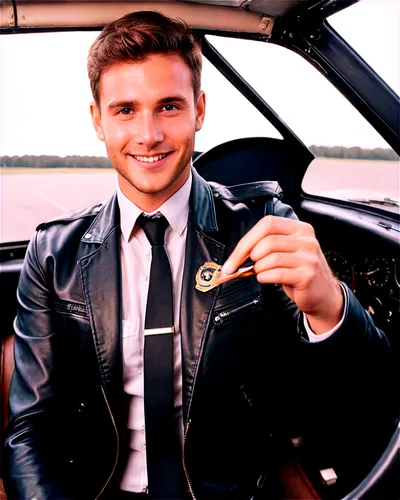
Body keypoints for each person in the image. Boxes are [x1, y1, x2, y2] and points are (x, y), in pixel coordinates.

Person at [3, 10, 395, 500]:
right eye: (125, 110)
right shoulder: (52, 254)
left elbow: (347, 405)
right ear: (97, 121)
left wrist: (331, 310)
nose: (149, 135)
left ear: (200, 110)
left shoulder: (263, 226)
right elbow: (30, 431)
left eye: (169, 106)